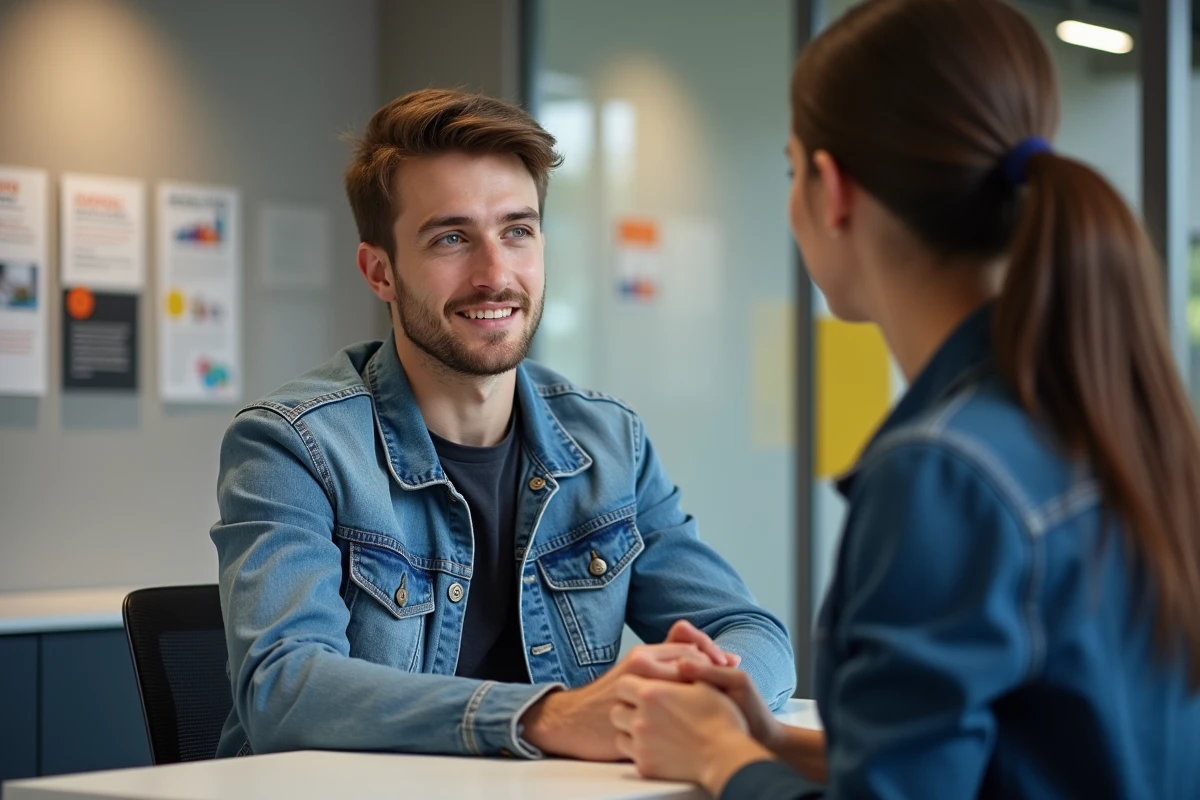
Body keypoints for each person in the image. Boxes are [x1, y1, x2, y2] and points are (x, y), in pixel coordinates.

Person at [610, 0, 1200, 797]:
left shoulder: (945, 473)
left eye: (791, 171)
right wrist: (767, 740)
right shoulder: (1105, 417)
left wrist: (722, 760)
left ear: (832, 190)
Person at [209, 89, 796, 761]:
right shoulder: (294, 445)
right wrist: (550, 716)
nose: (495, 275)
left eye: (517, 231)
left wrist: (706, 691)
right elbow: (284, 690)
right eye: (451, 238)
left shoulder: (609, 443)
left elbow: (749, 631)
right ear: (380, 272)